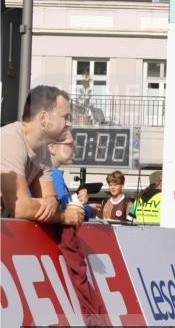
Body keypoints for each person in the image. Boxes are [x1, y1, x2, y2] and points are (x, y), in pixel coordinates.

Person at [0, 85, 79, 224]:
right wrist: (65, 216)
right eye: (65, 117)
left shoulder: (42, 149)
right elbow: (20, 208)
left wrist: (52, 202)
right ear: (43, 118)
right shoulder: (10, 138)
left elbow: (50, 203)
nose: (69, 123)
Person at [46, 134, 104, 316]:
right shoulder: (51, 173)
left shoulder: (53, 173)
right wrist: (85, 209)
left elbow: (67, 209)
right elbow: (65, 211)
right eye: (69, 144)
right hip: (56, 235)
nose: (74, 149)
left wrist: (82, 206)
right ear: (52, 148)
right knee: (79, 274)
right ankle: (94, 317)